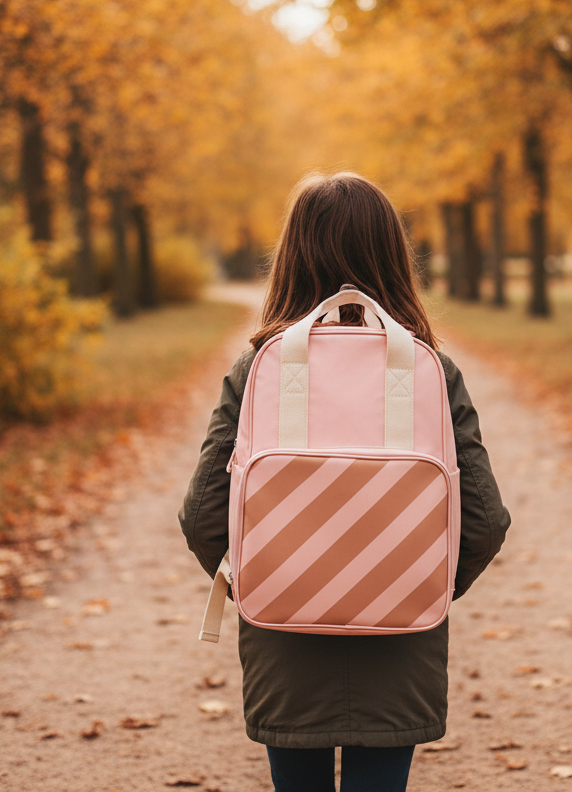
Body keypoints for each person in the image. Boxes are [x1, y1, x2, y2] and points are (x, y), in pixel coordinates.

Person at [178, 172, 511, 792]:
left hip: (284, 636)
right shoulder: (431, 369)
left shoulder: (260, 368)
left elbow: (202, 515)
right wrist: (419, 584)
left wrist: (268, 578)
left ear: (290, 259)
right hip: (401, 638)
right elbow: (486, 521)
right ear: (393, 257)